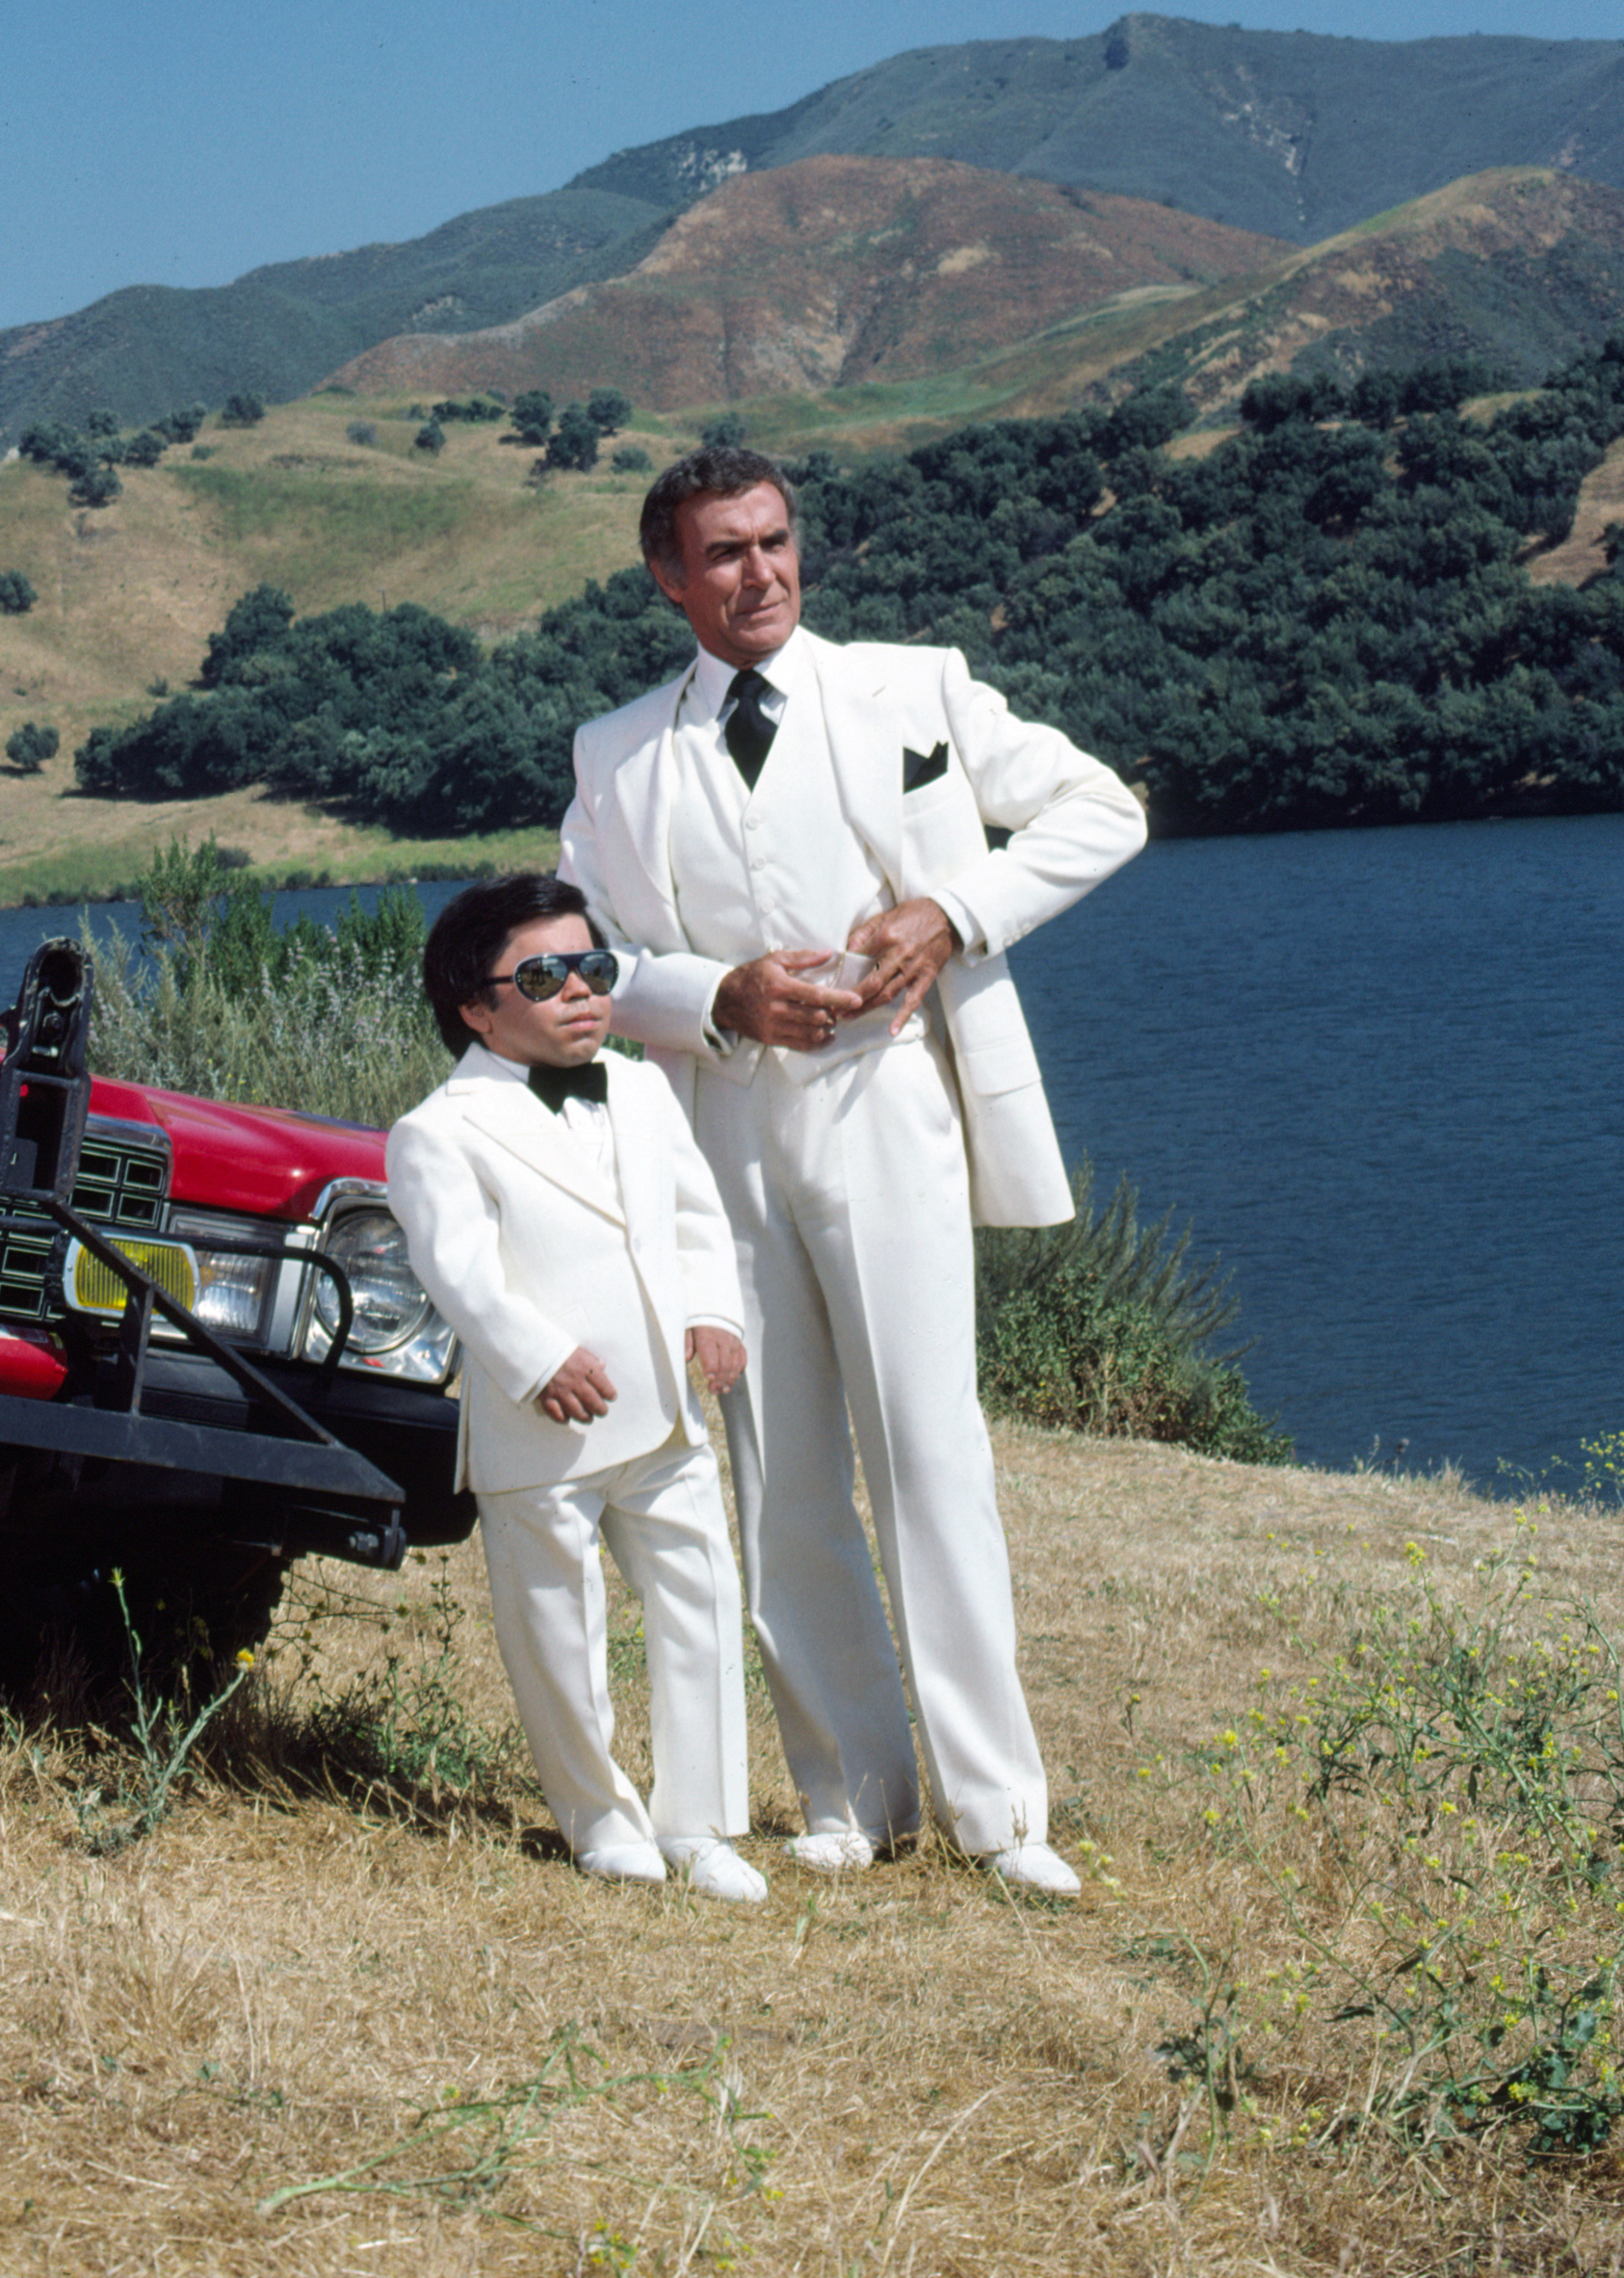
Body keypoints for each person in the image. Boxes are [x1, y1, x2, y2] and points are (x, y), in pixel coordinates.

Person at [558, 447, 1146, 1893]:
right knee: (778, 1466)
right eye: (720, 554)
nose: (756, 573)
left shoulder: (915, 689)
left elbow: (1102, 811)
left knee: (930, 1447)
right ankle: (847, 1792)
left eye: (772, 542)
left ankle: (1000, 1813)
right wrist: (713, 998)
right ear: (666, 578)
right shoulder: (615, 753)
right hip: (723, 1129)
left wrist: (953, 906)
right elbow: (586, 963)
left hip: (892, 1104)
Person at [384, 871, 765, 1901]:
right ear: (477, 1007)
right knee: (558, 1622)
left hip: (661, 1409)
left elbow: (696, 1217)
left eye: (592, 968)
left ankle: (700, 1821)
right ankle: (599, 1819)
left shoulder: (639, 1087)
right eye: (544, 976)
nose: (581, 993)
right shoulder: (439, 1130)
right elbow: (456, 1271)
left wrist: (713, 1313)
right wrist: (539, 1357)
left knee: (700, 1596)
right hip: (540, 1423)